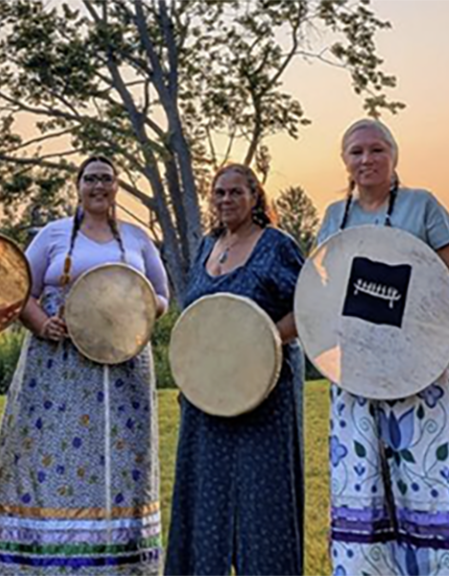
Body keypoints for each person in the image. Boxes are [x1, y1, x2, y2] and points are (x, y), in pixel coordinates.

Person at [319, 118, 449, 575]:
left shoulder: (422, 206)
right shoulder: (334, 216)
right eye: (356, 152)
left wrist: (394, 295)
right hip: (359, 374)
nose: (366, 159)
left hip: (427, 372)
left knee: (435, 480)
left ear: (394, 155)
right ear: (344, 161)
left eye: (376, 149)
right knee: (366, 485)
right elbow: (320, 289)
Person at [0, 156, 169, 575]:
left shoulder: (137, 239)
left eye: (107, 178)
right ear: (77, 185)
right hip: (57, 366)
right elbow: (14, 289)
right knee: (49, 458)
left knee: (120, 462)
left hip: (123, 369)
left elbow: (163, 296)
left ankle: (118, 564)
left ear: (117, 186)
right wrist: (42, 323)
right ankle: (44, 562)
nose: (99, 185)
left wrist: (134, 307)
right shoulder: (54, 234)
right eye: (91, 178)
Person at [165, 163, 306, 575]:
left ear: (255, 197)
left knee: (263, 497)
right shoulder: (209, 245)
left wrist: (256, 345)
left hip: (265, 391)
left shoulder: (276, 245)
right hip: (207, 395)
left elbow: (309, 307)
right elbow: (196, 318)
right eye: (219, 193)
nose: (226, 200)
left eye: (235, 192)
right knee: (205, 493)